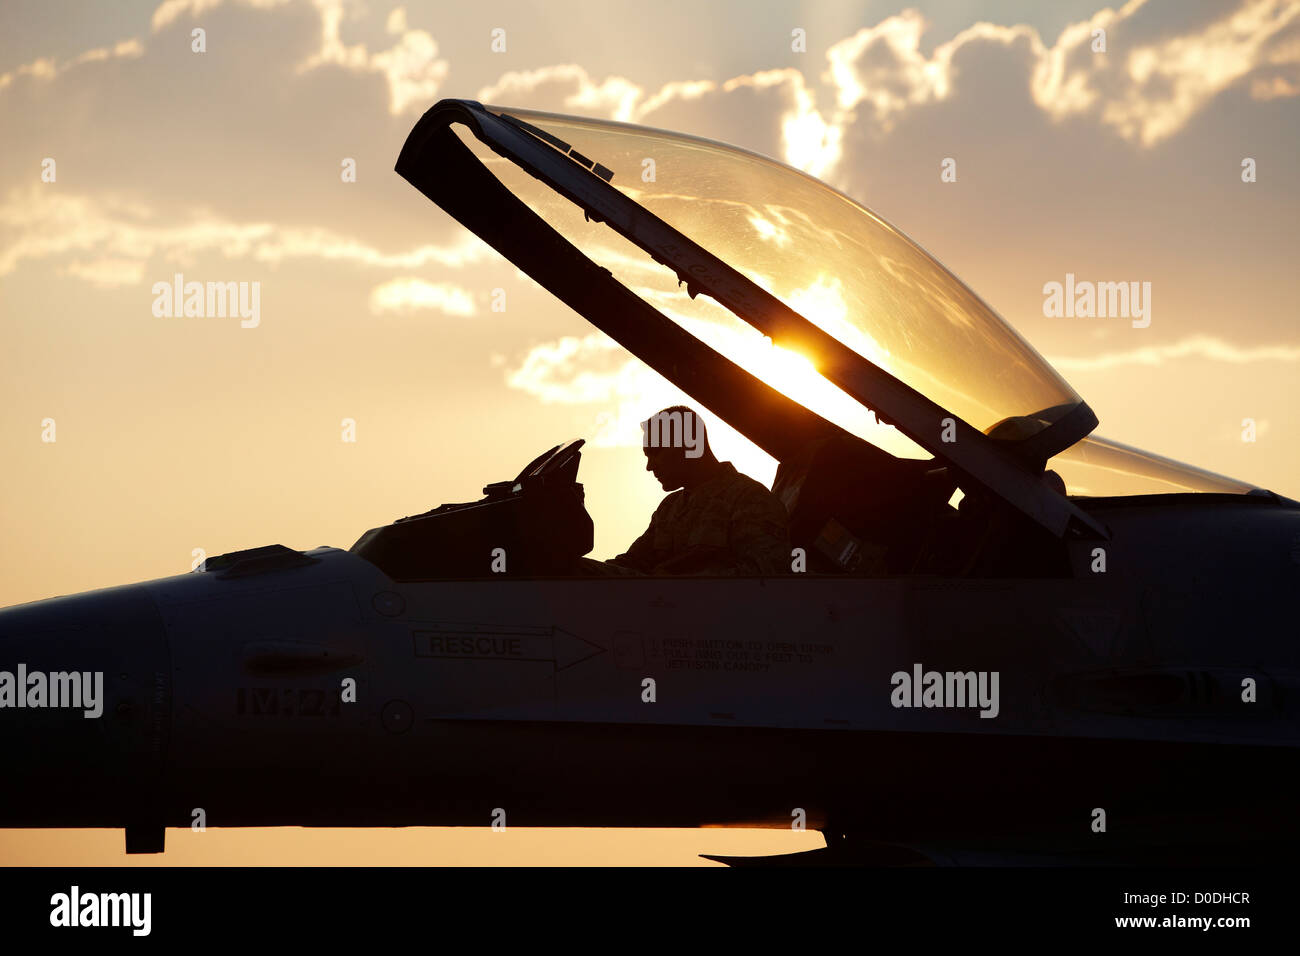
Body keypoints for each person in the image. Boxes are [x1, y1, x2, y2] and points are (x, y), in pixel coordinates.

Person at [589, 406, 791, 576]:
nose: (649, 467)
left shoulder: (749, 499)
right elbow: (632, 565)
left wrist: (682, 583)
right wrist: (580, 569)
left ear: (689, 444)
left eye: (656, 452)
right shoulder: (669, 508)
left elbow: (765, 575)